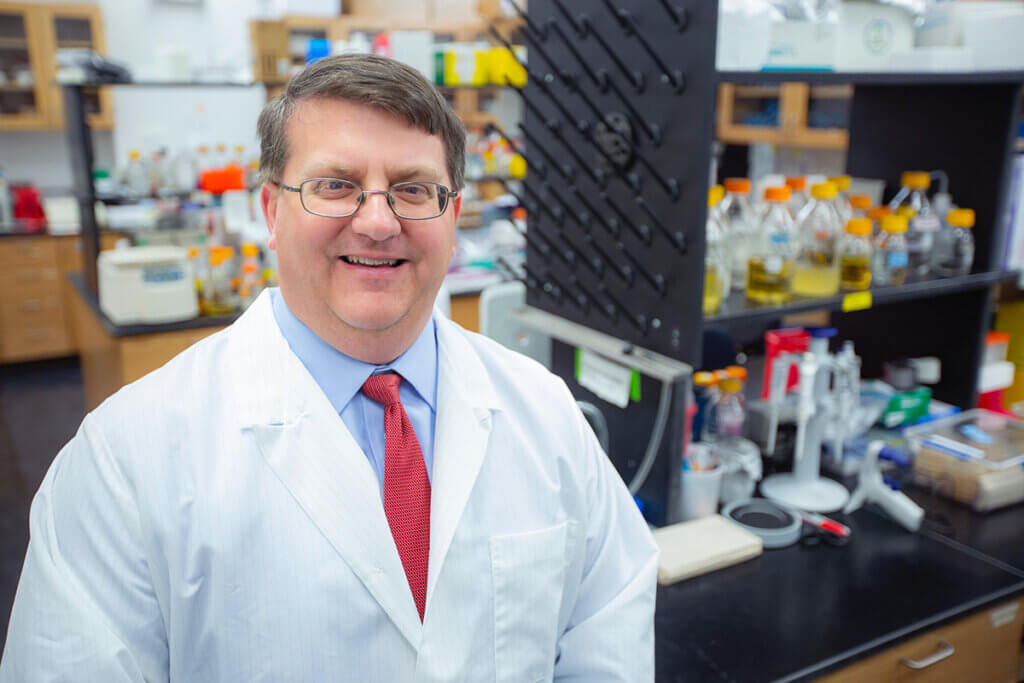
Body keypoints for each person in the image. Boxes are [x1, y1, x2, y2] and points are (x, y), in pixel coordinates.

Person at [1, 54, 658, 681]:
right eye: (335, 185)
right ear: (271, 209)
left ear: (453, 216)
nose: (377, 221)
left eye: (414, 189)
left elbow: (608, 625)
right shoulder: (126, 460)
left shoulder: (545, 415)